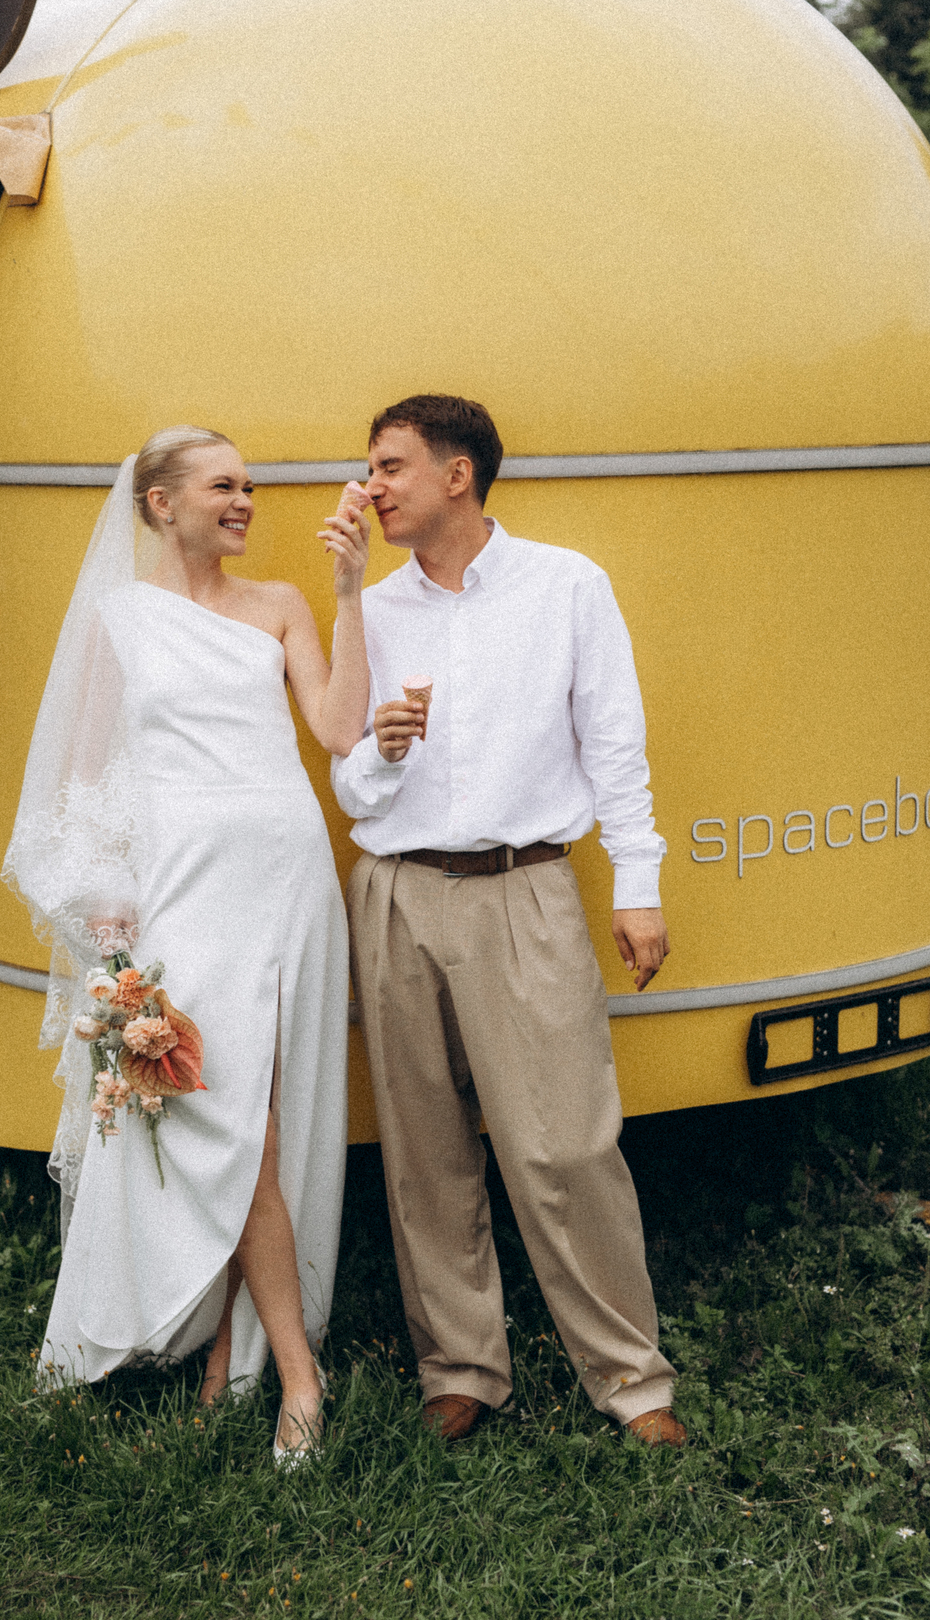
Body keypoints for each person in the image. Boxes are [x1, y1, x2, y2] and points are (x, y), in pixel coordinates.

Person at [4, 426, 372, 1463]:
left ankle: (230, 1356)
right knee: (226, 1115)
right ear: (162, 504)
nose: (245, 500)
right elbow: (83, 779)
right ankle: (299, 1376)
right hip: (184, 891)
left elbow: (339, 729)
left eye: (249, 486)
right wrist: (106, 907)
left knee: (268, 1116)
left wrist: (349, 593)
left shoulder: (282, 605)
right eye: (224, 486)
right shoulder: (119, 619)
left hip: (287, 881)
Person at [332, 395, 684, 1448]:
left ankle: (633, 1381)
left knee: (566, 1145)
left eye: (390, 466)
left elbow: (613, 740)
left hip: (524, 888)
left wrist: (637, 882)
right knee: (424, 1151)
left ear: (458, 475)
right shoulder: (372, 608)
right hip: (396, 891)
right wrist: (383, 750)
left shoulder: (566, 586)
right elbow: (352, 786)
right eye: (370, 468)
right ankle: (462, 1368)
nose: (371, 487)